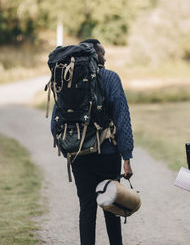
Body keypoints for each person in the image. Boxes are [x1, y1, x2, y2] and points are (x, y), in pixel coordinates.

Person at [51, 39, 134, 245]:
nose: (105, 57)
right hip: (107, 154)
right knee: (111, 206)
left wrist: (67, 148)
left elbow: (55, 123)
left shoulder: (67, 81)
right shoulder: (110, 77)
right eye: (103, 53)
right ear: (95, 55)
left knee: (86, 208)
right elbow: (122, 118)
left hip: (79, 155)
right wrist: (127, 156)